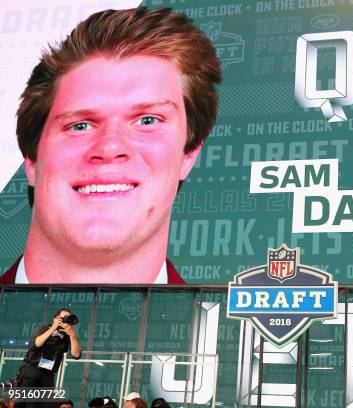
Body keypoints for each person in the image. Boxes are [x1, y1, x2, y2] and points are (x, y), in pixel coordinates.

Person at [0, 7, 221, 284]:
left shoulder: (225, 328)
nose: (109, 147)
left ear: (189, 154)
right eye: (80, 125)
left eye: (148, 120)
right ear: (31, 159)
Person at [15, 309, 82, 389]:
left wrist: (73, 335)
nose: (66, 320)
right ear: (55, 318)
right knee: (25, 400)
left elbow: (76, 355)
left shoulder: (68, 336)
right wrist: (53, 328)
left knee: (46, 401)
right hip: (31, 370)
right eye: (64, 317)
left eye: (68, 318)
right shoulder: (44, 328)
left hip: (48, 374)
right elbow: (34, 345)